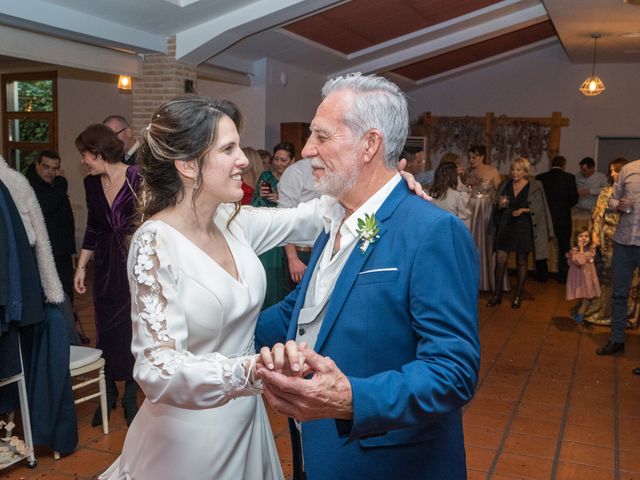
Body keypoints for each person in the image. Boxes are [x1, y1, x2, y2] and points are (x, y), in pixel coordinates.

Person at [256, 73, 480, 480]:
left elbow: (454, 372)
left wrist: (351, 399)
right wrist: (225, 333)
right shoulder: (335, 218)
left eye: (321, 136)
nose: (307, 150)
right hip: (315, 452)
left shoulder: (432, 231)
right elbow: (309, 305)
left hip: (384, 461)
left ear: (370, 144)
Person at [99, 95, 331, 480]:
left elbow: (310, 218)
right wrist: (252, 370)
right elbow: (158, 367)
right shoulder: (156, 243)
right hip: (190, 438)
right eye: (228, 148)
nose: (243, 159)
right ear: (188, 164)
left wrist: (385, 187)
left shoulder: (231, 220)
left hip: (247, 423)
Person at [73, 124, 141, 427]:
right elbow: (93, 227)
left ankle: (131, 395)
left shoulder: (137, 176)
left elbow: (150, 218)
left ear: (98, 153)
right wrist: (81, 266)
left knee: (133, 328)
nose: (83, 161)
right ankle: (109, 391)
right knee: (105, 329)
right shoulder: (90, 183)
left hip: (134, 262)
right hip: (104, 264)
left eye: (85, 155)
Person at [488, 157, 554, 309]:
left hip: (524, 226)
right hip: (505, 225)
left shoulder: (535, 185)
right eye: (513, 169)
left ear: (525, 171)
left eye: (518, 170)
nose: (514, 172)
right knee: (500, 260)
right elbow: (496, 205)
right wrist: (499, 204)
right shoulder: (505, 184)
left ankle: (518, 296)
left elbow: (540, 209)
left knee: (522, 262)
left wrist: (525, 210)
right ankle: (497, 295)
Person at [585, 158, 638, 326]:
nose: (612, 174)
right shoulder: (606, 191)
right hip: (609, 241)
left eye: (615, 170)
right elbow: (597, 216)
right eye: (611, 171)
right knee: (608, 280)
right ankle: (605, 314)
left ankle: (628, 316)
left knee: (631, 282)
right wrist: (595, 237)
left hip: (629, 240)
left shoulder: (632, 192)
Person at [596, 158, 640, 359]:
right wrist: (619, 205)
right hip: (623, 241)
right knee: (619, 294)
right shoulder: (629, 169)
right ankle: (617, 340)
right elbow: (612, 200)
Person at [25, 150, 76, 301]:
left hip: (61, 249)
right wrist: (62, 183)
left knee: (65, 292)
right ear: (37, 165)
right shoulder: (30, 186)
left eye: (54, 168)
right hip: (45, 250)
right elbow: (46, 206)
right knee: (50, 295)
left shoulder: (54, 185)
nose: (50, 172)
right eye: (46, 167)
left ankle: (65, 322)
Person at [251, 142, 295, 307]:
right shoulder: (265, 177)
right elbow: (253, 206)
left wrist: (281, 199)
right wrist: (261, 196)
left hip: (287, 228)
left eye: (283, 160)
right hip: (267, 229)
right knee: (268, 272)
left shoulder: (294, 177)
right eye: (276, 159)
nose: (278, 163)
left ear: (292, 161)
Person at [464, 145, 505, 292]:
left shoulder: (492, 171)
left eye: (474, 157)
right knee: (471, 242)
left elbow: (501, 191)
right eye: (469, 157)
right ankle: (471, 280)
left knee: (486, 243)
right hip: (471, 209)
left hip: (486, 209)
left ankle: (489, 280)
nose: (471, 160)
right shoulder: (467, 172)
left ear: (482, 157)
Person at [278, 154, 321, 291]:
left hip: (322, 250)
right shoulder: (296, 172)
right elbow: (284, 217)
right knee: (294, 305)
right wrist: (293, 259)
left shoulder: (334, 169)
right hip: (301, 253)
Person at [535, 155, 579, 284]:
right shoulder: (569, 178)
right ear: (563, 165)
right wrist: (564, 207)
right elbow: (574, 199)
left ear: (551, 164)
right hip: (563, 217)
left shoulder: (540, 178)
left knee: (541, 247)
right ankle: (563, 277)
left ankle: (542, 276)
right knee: (564, 247)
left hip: (543, 217)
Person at [566, 227, 601, 324]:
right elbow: (580, 261)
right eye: (580, 236)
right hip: (580, 280)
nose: (584, 238)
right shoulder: (574, 251)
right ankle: (578, 318)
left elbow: (595, 246)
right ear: (576, 239)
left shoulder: (590, 250)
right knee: (585, 299)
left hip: (588, 278)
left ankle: (578, 316)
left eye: (586, 236)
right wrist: (581, 249)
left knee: (587, 299)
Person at [429, 161, 471, 228]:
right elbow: (464, 223)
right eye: (457, 175)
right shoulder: (459, 196)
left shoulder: (428, 193)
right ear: (454, 176)